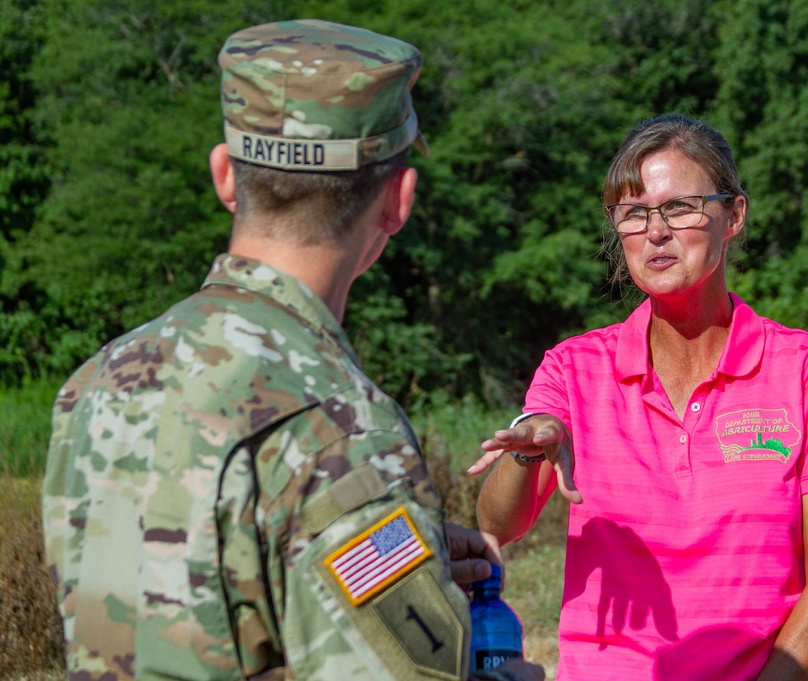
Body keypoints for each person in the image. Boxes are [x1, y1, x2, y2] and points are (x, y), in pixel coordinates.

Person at [42, 19, 543, 681]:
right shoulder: (341, 429)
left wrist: (399, 559)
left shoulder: (97, 383)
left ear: (225, 174)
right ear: (398, 200)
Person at [470, 114, 808, 681]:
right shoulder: (572, 368)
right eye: (634, 214)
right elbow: (497, 524)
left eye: (679, 207)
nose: (655, 231)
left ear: (732, 216)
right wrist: (529, 450)